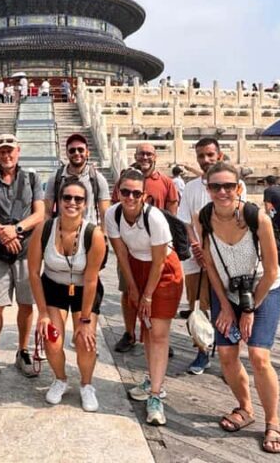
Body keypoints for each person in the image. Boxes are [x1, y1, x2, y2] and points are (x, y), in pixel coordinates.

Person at [194, 162, 280, 454]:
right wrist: (224, 306)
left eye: (228, 186)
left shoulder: (257, 218)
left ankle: (273, 421)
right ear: (207, 189)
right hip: (227, 291)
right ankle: (246, 408)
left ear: (238, 188)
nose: (222, 192)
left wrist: (247, 310)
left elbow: (271, 272)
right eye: (215, 186)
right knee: (226, 354)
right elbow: (210, 265)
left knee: (258, 355)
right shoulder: (204, 217)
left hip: (264, 289)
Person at [107, 168, 183, 425]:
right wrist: (133, 289)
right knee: (147, 329)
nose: (129, 197)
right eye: (125, 191)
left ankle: (156, 396)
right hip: (137, 268)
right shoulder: (112, 214)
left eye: (135, 193)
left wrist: (147, 296)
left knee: (159, 333)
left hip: (163, 271)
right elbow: (121, 255)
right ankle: (153, 378)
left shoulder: (156, 219)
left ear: (144, 196)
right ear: (117, 191)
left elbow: (160, 261)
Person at [28, 178, 106, 411]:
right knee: (51, 339)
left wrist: (84, 321)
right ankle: (60, 378)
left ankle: (86, 384)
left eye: (78, 199)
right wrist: (42, 312)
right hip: (53, 287)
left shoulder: (94, 234)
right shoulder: (45, 229)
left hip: (85, 290)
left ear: (85, 204)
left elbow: (92, 279)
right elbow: (33, 272)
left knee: (85, 341)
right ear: (58, 202)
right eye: (67, 198)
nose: (72, 202)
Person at [0, 134, 45, 385]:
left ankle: (23, 350)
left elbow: (40, 213)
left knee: (26, 305)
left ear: (18, 151)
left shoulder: (31, 178)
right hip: (0, 252)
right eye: (2, 152)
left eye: (10, 151)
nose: (6, 156)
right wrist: (3, 234)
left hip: (28, 250)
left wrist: (15, 230)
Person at [177, 137, 247, 375]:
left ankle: (230, 354)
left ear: (219, 155)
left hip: (227, 257)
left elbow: (241, 220)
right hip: (197, 258)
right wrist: (196, 246)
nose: (205, 160)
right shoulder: (190, 188)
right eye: (200, 156)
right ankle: (202, 350)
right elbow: (186, 221)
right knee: (198, 306)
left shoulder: (235, 185)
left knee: (227, 304)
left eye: (209, 155)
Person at [113, 143, 178, 355]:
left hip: (158, 247)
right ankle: (130, 333)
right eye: (141, 153)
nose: (145, 157)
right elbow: (117, 212)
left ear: (155, 157)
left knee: (154, 297)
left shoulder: (166, 182)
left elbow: (172, 214)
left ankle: (156, 336)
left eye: (149, 153)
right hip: (131, 249)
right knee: (129, 292)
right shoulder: (124, 181)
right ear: (135, 155)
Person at [44, 133, 110, 227]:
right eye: (72, 150)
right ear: (67, 153)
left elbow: (105, 214)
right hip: (61, 232)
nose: (76, 153)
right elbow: (47, 212)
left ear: (87, 152)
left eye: (80, 150)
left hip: (89, 232)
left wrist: (104, 236)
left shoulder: (97, 179)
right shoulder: (55, 178)